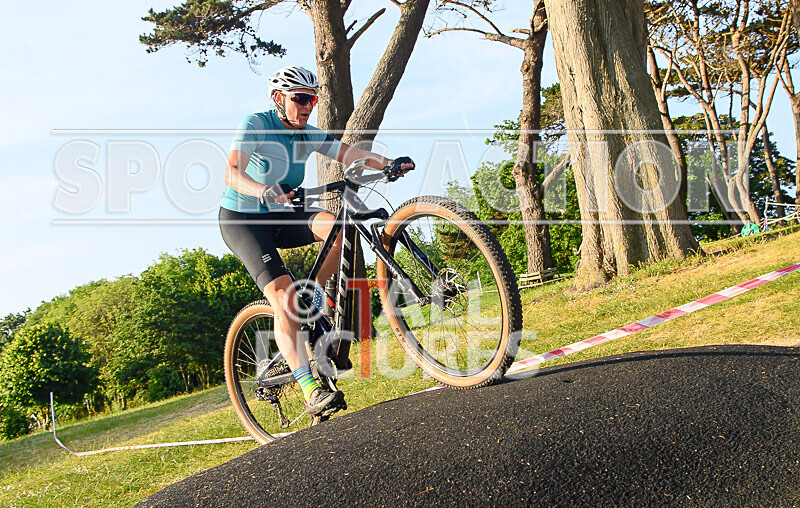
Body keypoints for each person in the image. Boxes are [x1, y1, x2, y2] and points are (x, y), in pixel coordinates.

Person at [218, 65, 414, 418]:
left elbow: (348, 153)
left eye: (313, 99)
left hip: (283, 212)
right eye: (300, 98)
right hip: (244, 220)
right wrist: (263, 190)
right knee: (283, 298)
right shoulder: (256, 124)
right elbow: (232, 172)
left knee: (339, 228)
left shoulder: (307, 133)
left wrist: (389, 164)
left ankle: (315, 298)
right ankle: (311, 390)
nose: (309, 105)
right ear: (278, 99)